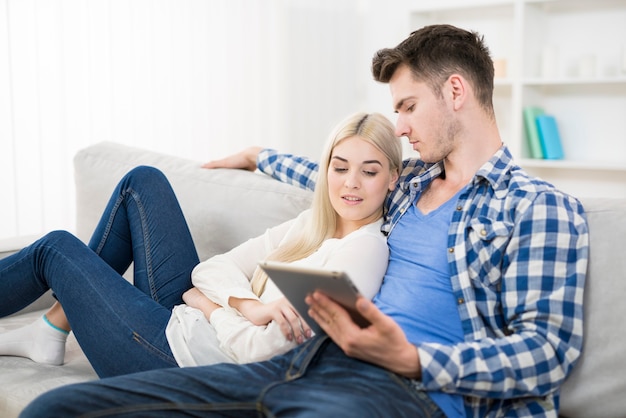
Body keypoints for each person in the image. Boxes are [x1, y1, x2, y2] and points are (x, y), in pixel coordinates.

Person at [20, 24, 589, 418]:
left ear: (457, 91)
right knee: (56, 406)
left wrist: (411, 358)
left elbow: (546, 351)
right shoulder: (410, 182)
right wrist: (260, 155)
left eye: (410, 106)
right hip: (302, 361)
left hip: (403, 392)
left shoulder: (538, 208)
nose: (403, 125)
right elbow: (343, 175)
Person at [0, 111, 401, 377]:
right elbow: (210, 270)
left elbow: (257, 351)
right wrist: (250, 305)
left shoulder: (364, 252)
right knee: (142, 183)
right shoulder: (312, 224)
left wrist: (209, 305)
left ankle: (50, 329)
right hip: (184, 322)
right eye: (340, 167)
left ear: (393, 178)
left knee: (57, 249)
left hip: (175, 359)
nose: (350, 183)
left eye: (369, 171)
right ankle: (52, 327)